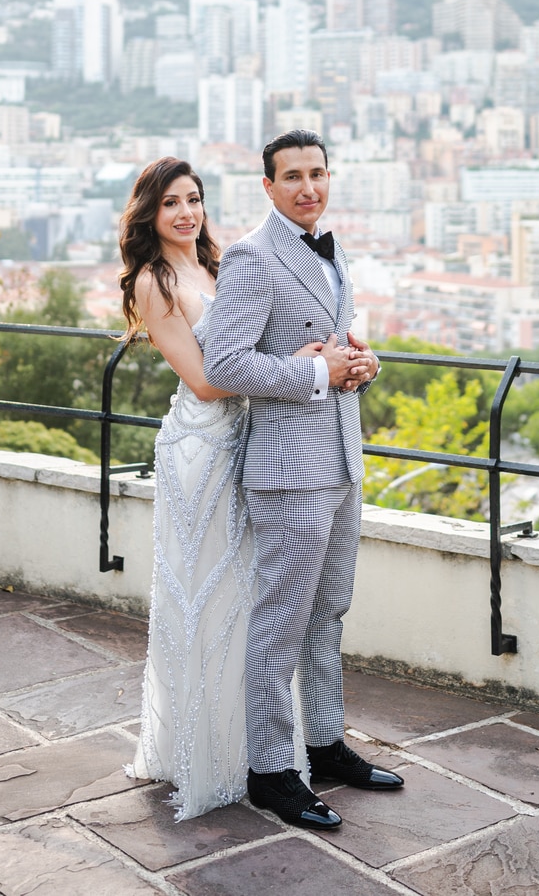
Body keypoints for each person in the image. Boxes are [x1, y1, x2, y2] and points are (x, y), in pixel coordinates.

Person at [203, 129, 404, 831]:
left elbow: (330, 342)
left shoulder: (330, 244)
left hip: (342, 458)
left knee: (330, 612)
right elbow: (223, 365)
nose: (308, 187)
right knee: (280, 623)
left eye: (318, 173)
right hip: (288, 470)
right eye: (292, 176)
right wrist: (317, 372)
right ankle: (270, 772)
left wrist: (358, 361)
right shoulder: (254, 258)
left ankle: (324, 744)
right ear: (267, 186)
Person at [119, 156, 327, 819]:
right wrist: (291, 366)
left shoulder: (218, 267)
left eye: (195, 199)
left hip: (248, 437)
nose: (186, 212)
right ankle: (201, 750)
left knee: (248, 597)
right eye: (172, 202)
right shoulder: (153, 282)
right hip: (199, 448)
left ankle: (251, 746)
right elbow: (207, 380)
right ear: (150, 213)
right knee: (206, 594)